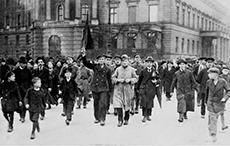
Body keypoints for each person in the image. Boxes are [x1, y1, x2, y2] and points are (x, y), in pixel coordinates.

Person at [81, 50, 112, 126]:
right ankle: (97, 117)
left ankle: (102, 118)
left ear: (104, 60)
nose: (101, 61)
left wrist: (110, 89)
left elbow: (109, 79)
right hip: (95, 87)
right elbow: (86, 63)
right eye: (100, 59)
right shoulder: (95, 67)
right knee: (96, 103)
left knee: (103, 104)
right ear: (98, 60)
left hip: (104, 88)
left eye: (103, 59)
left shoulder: (108, 69)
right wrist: (84, 56)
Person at [112, 54, 138, 127]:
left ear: (128, 61)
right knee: (118, 105)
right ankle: (120, 120)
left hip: (128, 90)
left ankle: (126, 118)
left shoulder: (132, 70)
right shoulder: (117, 69)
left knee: (127, 105)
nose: (124, 62)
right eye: (123, 61)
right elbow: (113, 78)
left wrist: (130, 80)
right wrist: (118, 80)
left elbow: (136, 78)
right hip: (119, 90)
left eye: (126, 61)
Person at [205, 67, 230, 142]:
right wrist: (205, 102)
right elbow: (206, 92)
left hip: (219, 103)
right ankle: (214, 134)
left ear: (215, 74)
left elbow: (228, 91)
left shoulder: (223, 82)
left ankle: (211, 129)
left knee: (214, 118)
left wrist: (225, 98)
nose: (208, 75)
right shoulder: (208, 82)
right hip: (211, 102)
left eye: (210, 73)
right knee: (213, 118)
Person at [137, 56, 161, 122]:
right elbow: (140, 80)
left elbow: (159, 79)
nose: (149, 64)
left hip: (151, 89)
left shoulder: (155, 71)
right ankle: (144, 116)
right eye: (148, 62)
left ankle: (148, 115)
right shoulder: (143, 71)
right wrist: (138, 88)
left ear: (152, 63)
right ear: (146, 63)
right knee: (144, 102)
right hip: (144, 88)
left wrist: (156, 81)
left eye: (150, 62)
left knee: (150, 102)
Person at [14, 56, 32, 123]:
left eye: (25, 63)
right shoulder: (15, 71)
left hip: (26, 89)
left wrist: (30, 87)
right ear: (20, 64)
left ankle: (22, 116)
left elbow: (30, 80)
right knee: (19, 103)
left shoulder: (28, 71)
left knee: (25, 102)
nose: (24, 65)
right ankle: (21, 115)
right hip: (18, 89)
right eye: (22, 63)